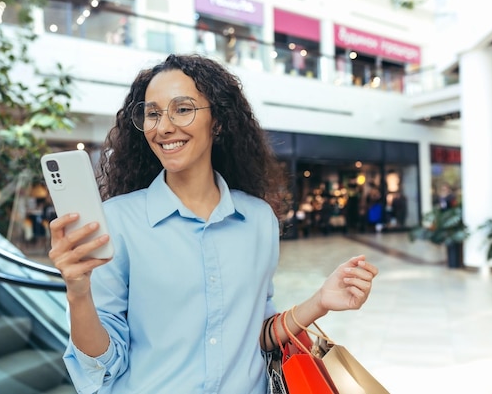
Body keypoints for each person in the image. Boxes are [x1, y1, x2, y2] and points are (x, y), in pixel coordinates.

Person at [47, 54, 379, 394]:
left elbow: (257, 335)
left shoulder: (258, 220)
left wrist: (320, 301)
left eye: (182, 108)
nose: (163, 127)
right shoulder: (117, 221)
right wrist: (78, 291)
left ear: (217, 122)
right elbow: (104, 365)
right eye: (152, 113)